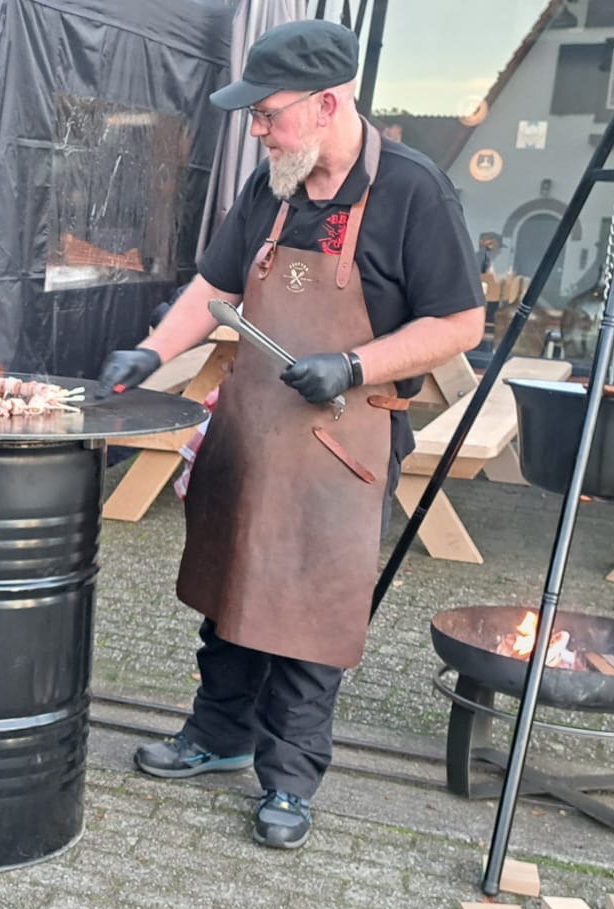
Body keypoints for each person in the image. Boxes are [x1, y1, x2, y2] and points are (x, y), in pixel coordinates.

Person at [95, 20, 485, 849]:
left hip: (346, 442)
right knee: (230, 584)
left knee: (311, 612)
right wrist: (153, 350)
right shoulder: (275, 183)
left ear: (327, 104)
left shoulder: (414, 191)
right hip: (253, 428)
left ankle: (290, 778)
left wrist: (353, 364)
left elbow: (460, 321)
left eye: (268, 113)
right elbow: (216, 286)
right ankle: (218, 734)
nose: (258, 130)